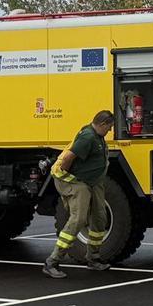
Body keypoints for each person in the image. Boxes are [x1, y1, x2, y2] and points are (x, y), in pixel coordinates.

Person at [43, 110, 115, 278]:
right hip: (79, 181)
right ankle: (52, 261)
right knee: (78, 219)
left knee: (99, 217)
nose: (110, 130)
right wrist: (71, 180)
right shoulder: (88, 137)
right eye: (109, 127)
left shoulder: (97, 136)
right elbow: (68, 158)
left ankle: (93, 258)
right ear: (102, 124)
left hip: (93, 182)